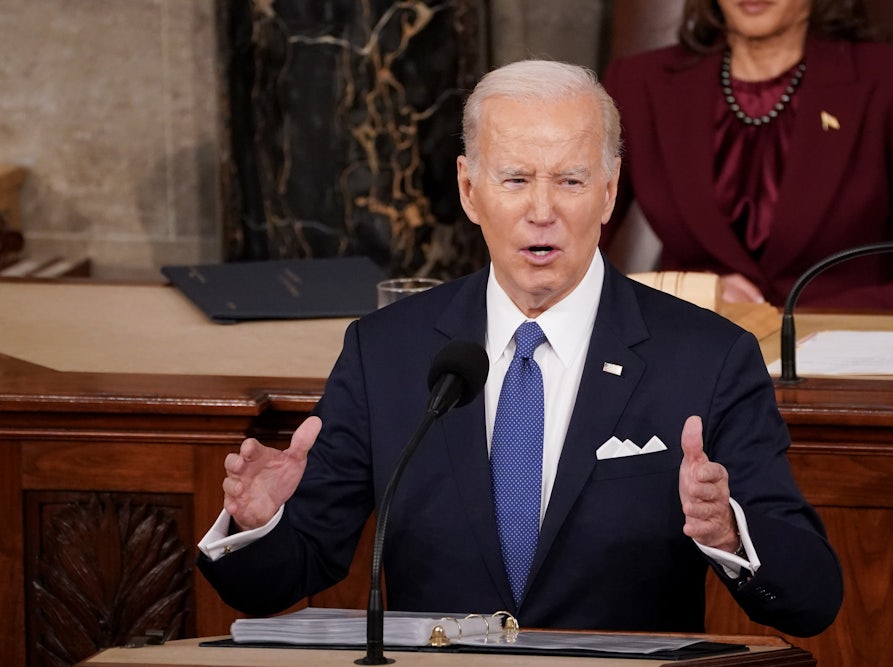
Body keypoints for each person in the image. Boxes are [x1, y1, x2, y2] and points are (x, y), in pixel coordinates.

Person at [197, 59, 842, 637]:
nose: (542, 210)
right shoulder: (386, 353)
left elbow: (812, 598)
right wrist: (258, 525)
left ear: (611, 189)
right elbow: (283, 575)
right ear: (469, 190)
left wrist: (729, 535)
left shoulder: (707, 357)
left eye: (569, 180)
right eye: (514, 179)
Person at [601, 0, 893, 309]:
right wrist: (689, 293)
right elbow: (560, 255)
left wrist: (791, 320)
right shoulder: (640, 84)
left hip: (846, 368)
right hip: (689, 359)